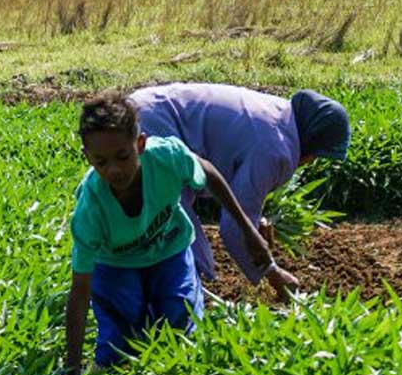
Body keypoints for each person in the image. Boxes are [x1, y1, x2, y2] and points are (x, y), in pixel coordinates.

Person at [62, 93, 298, 374]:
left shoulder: (166, 157)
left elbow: (208, 172)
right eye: (101, 162)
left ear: (140, 144)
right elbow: (79, 292)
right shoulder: (90, 209)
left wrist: (247, 229)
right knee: (119, 346)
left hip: (169, 250)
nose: (114, 170)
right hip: (116, 264)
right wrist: (72, 366)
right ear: (87, 157)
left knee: (180, 322)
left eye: (123, 156)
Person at [129, 83, 350, 290]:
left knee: (171, 227)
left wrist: (254, 221)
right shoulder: (275, 150)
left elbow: (233, 190)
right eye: (317, 156)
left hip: (148, 106)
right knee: (181, 238)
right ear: (311, 142)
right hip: (153, 123)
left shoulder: (280, 115)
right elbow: (234, 227)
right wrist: (272, 273)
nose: (311, 162)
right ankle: (182, 306)